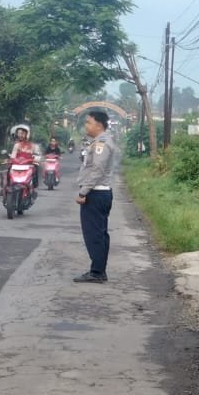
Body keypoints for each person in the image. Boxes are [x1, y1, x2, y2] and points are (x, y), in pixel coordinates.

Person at [74, 111, 118, 283]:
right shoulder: (99, 142)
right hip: (100, 192)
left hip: (96, 193)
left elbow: (97, 170)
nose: (86, 125)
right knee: (100, 233)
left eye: (89, 122)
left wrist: (83, 192)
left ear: (99, 125)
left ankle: (97, 272)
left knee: (94, 235)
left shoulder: (102, 142)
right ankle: (99, 270)